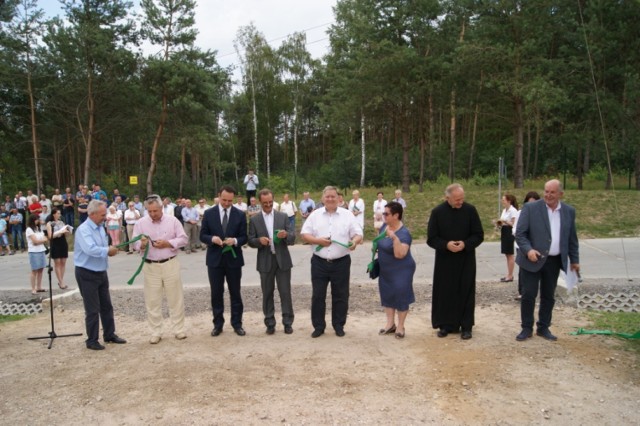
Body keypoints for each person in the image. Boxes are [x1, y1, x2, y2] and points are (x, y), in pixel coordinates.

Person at [515, 180, 579, 342]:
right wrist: (528, 250)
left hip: (554, 261)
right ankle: (526, 328)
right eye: (546, 191)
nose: (548, 195)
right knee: (528, 294)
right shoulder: (530, 208)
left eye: (552, 192)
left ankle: (543, 327)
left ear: (560, 194)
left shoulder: (569, 211)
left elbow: (572, 239)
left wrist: (575, 260)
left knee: (548, 296)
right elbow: (520, 234)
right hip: (532, 259)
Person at [301, 186, 363, 338]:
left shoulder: (347, 215)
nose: (330, 199)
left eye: (333, 196)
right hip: (319, 262)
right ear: (322, 199)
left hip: (341, 262)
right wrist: (318, 241)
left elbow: (358, 234)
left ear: (338, 198)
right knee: (318, 295)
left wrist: (354, 242)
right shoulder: (315, 215)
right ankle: (319, 326)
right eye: (327, 196)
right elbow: (304, 234)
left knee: (341, 295)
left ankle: (338, 325)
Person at [427, 183, 484, 340]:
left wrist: (465, 244)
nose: (460, 202)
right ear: (447, 198)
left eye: (462, 199)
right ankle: (445, 325)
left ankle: (466, 326)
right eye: (457, 199)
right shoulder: (437, 212)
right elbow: (431, 238)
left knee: (466, 290)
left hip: (466, 259)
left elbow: (479, 235)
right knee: (445, 292)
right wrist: (446, 245)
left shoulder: (470, 210)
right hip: (445, 260)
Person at [133, 194, 189, 344]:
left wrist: (168, 243)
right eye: (149, 211)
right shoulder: (140, 223)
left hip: (170, 262)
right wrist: (142, 244)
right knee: (152, 300)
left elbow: (184, 239)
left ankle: (179, 329)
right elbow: (134, 244)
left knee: (175, 298)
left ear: (161, 208)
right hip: (150, 265)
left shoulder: (173, 221)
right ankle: (156, 331)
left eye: (155, 211)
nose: (152, 214)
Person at [74, 200, 126, 350]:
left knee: (106, 306)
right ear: (92, 214)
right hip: (86, 272)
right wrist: (107, 251)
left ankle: (109, 334)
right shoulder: (83, 230)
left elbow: (102, 247)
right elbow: (90, 249)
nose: (105, 217)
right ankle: (92, 340)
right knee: (92, 309)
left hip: (101, 271)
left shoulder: (100, 228)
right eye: (103, 214)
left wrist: (109, 251)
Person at [200, 185, 248, 337]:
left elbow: (244, 237)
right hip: (215, 260)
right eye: (224, 200)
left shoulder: (240, 214)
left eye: (230, 201)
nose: (227, 203)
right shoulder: (209, 213)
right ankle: (218, 325)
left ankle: (237, 324)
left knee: (235, 293)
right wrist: (211, 238)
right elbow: (202, 235)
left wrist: (234, 240)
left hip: (234, 260)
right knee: (216, 293)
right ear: (219, 196)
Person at [248, 189, 296, 335]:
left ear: (273, 200)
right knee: (267, 293)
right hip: (265, 261)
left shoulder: (283, 216)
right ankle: (270, 323)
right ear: (260, 202)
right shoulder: (255, 219)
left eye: (270, 202)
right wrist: (258, 241)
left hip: (282, 260)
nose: (268, 205)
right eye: (265, 203)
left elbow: (293, 237)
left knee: (285, 293)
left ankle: (287, 323)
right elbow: (250, 240)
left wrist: (286, 234)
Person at [376, 202, 416, 339]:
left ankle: (400, 326)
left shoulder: (404, 234)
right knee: (387, 294)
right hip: (386, 269)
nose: (384, 216)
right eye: (383, 213)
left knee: (401, 295)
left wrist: (393, 237)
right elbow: (379, 241)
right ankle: (390, 324)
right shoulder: (384, 227)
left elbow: (400, 254)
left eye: (386, 214)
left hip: (402, 269)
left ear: (396, 215)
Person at [513, 191, 541, 299]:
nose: (532, 206)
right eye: (529, 203)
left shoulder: (541, 214)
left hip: (536, 246)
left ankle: (533, 291)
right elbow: (515, 229)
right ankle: (522, 291)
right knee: (523, 269)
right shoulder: (521, 213)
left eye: (534, 203)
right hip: (522, 246)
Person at [46, 207, 71, 289]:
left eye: (60, 213)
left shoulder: (61, 223)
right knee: (57, 262)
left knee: (63, 261)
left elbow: (66, 234)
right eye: (58, 213)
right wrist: (60, 232)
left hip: (62, 241)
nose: (59, 215)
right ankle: (61, 282)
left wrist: (67, 231)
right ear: (54, 214)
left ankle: (61, 280)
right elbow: (50, 236)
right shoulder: (50, 223)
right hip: (55, 242)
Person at [495, 194, 519, 282]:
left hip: (509, 232)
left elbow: (513, 223)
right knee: (506, 254)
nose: (502, 201)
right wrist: (498, 223)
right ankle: (508, 274)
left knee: (510, 254)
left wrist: (504, 221)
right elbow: (502, 221)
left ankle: (510, 275)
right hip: (504, 231)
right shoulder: (504, 210)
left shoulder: (513, 210)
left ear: (509, 201)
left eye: (504, 200)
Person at [26, 214, 47, 294]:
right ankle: (33, 288)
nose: (38, 221)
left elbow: (44, 238)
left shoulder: (38, 229)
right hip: (34, 251)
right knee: (34, 270)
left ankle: (39, 287)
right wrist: (42, 240)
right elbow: (35, 241)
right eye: (36, 219)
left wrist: (41, 241)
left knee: (41, 269)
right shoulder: (29, 229)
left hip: (41, 250)